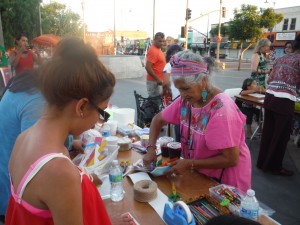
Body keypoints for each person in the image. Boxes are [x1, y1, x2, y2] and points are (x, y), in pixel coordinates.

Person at [5, 38, 133, 225]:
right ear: (81, 106)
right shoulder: (59, 171)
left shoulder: (23, 139)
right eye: (102, 113)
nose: (99, 121)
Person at [143, 50, 252, 193]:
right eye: (179, 89)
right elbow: (158, 120)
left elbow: (231, 158)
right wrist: (151, 149)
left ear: (203, 81)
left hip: (225, 182)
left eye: (186, 89)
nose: (182, 95)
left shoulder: (221, 110)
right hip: (200, 172)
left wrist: (190, 164)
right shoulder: (186, 101)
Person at [257, 36, 300, 176]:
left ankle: (263, 163)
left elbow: (270, 79)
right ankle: (275, 167)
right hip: (284, 100)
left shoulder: (282, 58)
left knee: (268, 132)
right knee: (281, 136)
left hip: (270, 97)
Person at [162, 44, 183, 141]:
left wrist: (164, 92)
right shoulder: (184, 63)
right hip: (185, 95)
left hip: (176, 98)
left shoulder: (168, 65)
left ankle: (179, 144)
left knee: (178, 121)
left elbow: (165, 83)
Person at [145, 32, 166, 102]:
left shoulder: (158, 49)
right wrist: (157, 79)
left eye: (163, 41)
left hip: (158, 81)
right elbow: (147, 67)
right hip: (154, 82)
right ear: (154, 40)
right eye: (159, 41)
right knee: (155, 104)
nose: (162, 43)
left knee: (158, 103)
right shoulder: (153, 51)